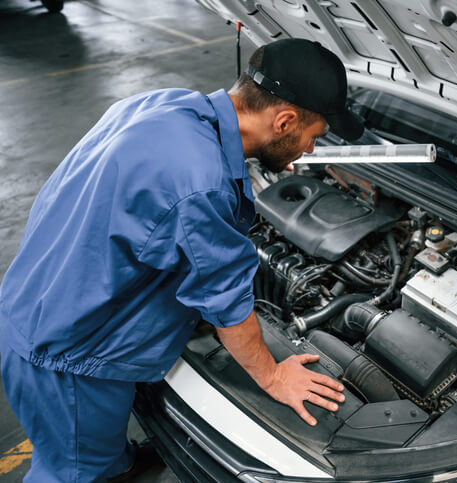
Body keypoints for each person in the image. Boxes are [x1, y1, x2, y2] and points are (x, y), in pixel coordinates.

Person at [0, 38, 364, 481]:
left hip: (43, 299)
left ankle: (117, 464)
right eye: (311, 137)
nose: (308, 151)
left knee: (95, 454)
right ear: (285, 121)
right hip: (66, 356)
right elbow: (226, 303)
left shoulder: (168, 104)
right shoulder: (201, 182)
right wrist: (272, 377)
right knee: (72, 471)